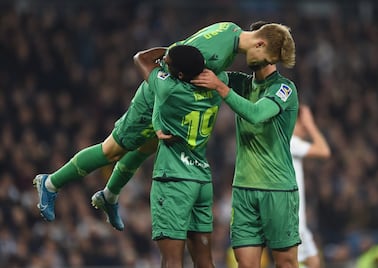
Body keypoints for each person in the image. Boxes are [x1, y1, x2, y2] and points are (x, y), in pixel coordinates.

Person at [33, 21, 289, 231]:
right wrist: (157, 119)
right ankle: (51, 183)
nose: (264, 64)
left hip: (170, 97)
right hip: (154, 97)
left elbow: (179, 51)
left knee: (146, 148)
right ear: (260, 42)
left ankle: (109, 196)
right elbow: (168, 63)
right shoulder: (215, 52)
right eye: (267, 57)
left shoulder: (231, 31)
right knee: (111, 150)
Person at [192, 21, 300, 268]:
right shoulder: (241, 82)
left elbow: (256, 114)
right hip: (243, 189)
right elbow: (204, 74)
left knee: (286, 263)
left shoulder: (284, 88)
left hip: (278, 189)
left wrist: (220, 87)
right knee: (245, 264)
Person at [134, 44, 227, 267]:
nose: (164, 61)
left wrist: (169, 48)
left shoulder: (169, 90)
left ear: (181, 74)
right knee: (205, 261)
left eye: (168, 62)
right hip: (202, 179)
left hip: (174, 180)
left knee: (172, 260)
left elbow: (141, 58)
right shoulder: (217, 85)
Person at [290, 105, 331, 268]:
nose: (305, 130)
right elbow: (324, 151)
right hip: (292, 219)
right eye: (303, 125)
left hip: (299, 220)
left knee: (314, 261)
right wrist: (311, 125)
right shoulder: (289, 141)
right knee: (293, 263)